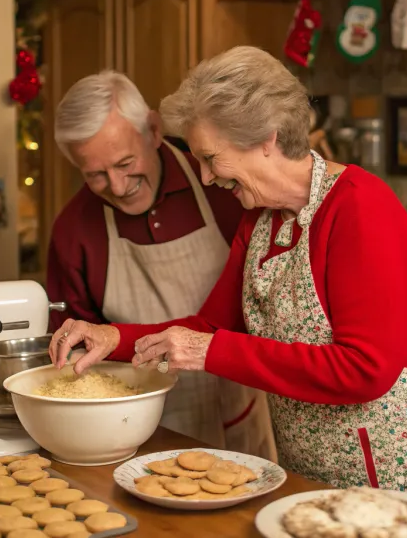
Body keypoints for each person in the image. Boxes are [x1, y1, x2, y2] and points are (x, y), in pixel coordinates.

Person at [49, 47, 407, 521]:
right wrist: (113, 337)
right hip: (317, 468)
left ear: (266, 138)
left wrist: (210, 351)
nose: (204, 175)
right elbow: (210, 325)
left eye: (210, 157)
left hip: (401, 460)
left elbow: (366, 369)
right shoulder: (262, 220)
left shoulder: (361, 208)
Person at [47, 70, 276, 461]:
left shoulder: (223, 188)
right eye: (95, 175)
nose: (118, 187)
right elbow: (74, 355)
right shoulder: (74, 231)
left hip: (239, 409)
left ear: (153, 130)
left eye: (124, 162)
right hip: (137, 431)